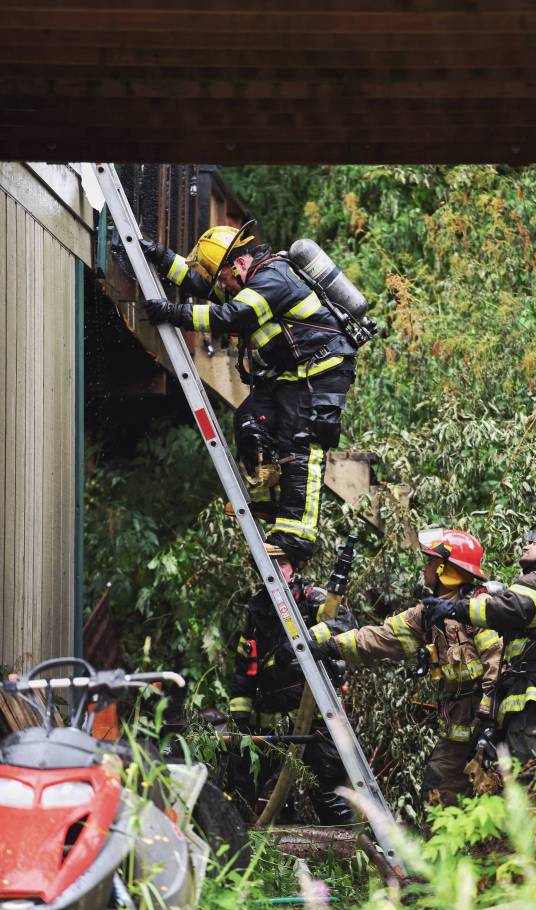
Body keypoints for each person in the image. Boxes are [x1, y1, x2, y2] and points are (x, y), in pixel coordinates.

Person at [139, 225, 358, 567]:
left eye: (224, 278)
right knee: (250, 423)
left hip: (321, 374)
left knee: (302, 447)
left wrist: (174, 313)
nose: (222, 286)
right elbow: (204, 285)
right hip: (289, 376)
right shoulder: (248, 280)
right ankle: (268, 499)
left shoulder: (272, 279)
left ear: (239, 265)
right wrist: (162, 257)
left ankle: (296, 539)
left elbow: (231, 316)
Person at [311, 529, 502, 807]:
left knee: (492, 800)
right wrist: (333, 646)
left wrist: (489, 722)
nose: (424, 567)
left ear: (444, 569)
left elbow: (497, 663)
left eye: (429, 562)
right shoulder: (426, 615)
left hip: (486, 726)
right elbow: (383, 637)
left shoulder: (479, 609)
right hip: (455, 727)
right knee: (436, 797)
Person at [422, 518, 536, 764]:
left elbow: (508, 610)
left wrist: (454, 608)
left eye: (535, 540)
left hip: (532, 708)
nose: (526, 545)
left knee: (527, 784)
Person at [227, 553, 357, 825]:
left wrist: (303, 642)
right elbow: (244, 667)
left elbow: (345, 624)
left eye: (282, 564)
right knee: (248, 790)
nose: (274, 571)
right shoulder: (257, 610)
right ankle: (253, 849)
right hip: (269, 723)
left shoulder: (311, 598)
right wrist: (240, 718)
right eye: (268, 564)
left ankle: (351, 853)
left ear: (294, 568)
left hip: (316, 720)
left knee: (329, 793)